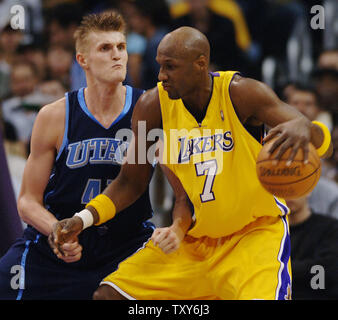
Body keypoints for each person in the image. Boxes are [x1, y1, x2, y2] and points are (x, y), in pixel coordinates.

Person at [51, 26, 332, 300]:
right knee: (108, 295)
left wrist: (307, 129)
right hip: (194, 243)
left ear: (200, 64)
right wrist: (82, 219)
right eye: (160, 65)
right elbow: (130, 182)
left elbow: (321, 143)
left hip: (253, 238)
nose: (161, 76)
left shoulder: (242, 94)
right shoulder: (152, 107)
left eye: (170, 67)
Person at [0, 11, 154, 300]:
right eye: (105, 48)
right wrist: (57, 230)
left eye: (120, 47)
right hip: (61, 236)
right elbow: (27, 201)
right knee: (6, 278)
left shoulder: (148, 109)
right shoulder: (54, 115)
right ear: (82, 60)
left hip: (127, 241)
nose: (117, 55)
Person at [286, 195, 338, 299]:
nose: (289, 195)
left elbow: (326, 270)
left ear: (309, 190)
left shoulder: (330, 227)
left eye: (296, 189)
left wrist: (280, 268)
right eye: (283, 189)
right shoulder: (272, 233)